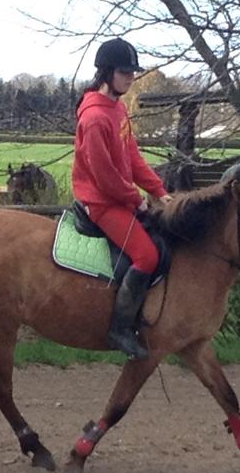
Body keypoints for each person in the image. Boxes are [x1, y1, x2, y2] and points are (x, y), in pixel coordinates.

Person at [72, 37, 172, 360]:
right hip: (101, 202)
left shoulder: (118, 110)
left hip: (118, 197)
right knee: (146, 257)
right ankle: (120, 328)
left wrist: (159, 191)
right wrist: (136, 200)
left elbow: (133, 160)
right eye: (125, 72)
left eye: (132, 72)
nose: (131, 78)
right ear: (107, 72)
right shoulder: (95, 118)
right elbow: (105, 177)